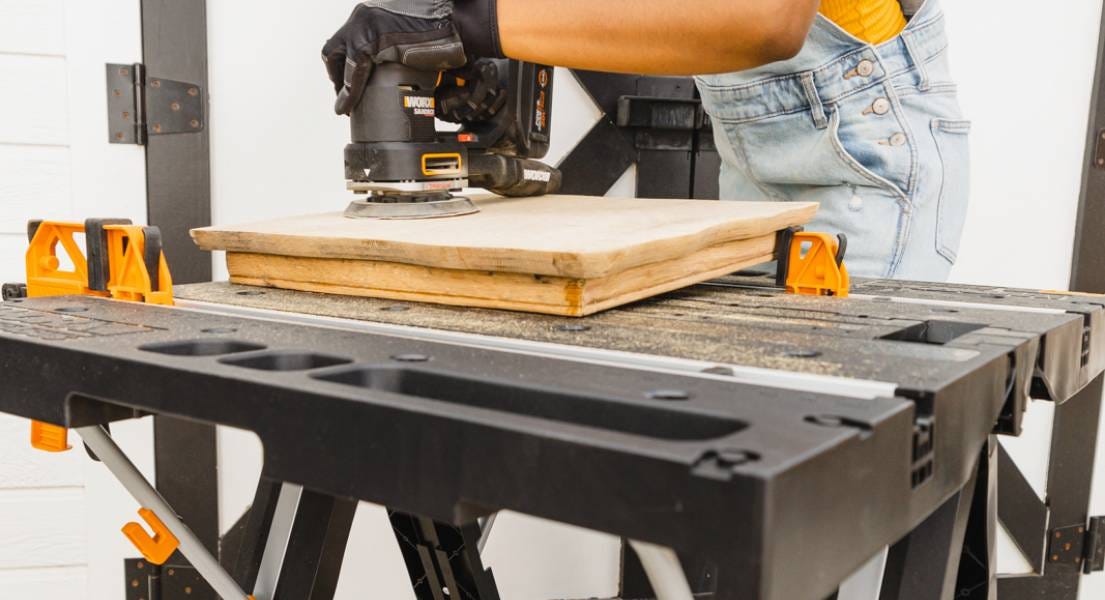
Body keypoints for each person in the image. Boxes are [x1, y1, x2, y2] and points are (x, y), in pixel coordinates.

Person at [324, 0, 968, 281]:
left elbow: (766, 18)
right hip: (759, 174)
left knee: (815, 531)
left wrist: (474, 23)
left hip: (858, 164)